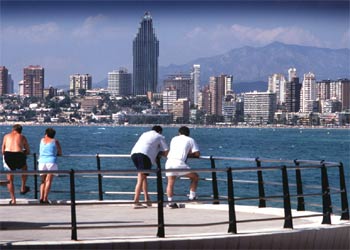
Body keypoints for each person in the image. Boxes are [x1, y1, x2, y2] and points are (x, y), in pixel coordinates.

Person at [130, 125, 168, 209]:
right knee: (140, 178)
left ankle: (147, 199)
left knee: (143, 177)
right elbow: (166, 152)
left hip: (134, 154)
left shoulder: (145, 134)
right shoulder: (159, 136)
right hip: (144, 156)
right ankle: (135, 201)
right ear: (160, 131)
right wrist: (159, 153)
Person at [165, 126, 200, 208]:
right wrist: (189, 154)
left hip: (169, 162)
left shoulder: (174, 139)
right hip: (179, 163)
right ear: (188, 133)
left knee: (170, 182)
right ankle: (192, 197)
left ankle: (170, 202)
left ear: (179, 133)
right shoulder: (190, 140)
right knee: (195, 177)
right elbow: (197, 154)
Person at [2, 124, 31, 204]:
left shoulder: (6, 136)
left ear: (12, 130)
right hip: (19, 154)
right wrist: (24, 152)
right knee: (24, 169)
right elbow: (28, 151)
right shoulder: (22, 137)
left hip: (8, 155)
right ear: (20, 131)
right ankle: (23, 187)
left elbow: (2, 151)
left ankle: (13, 199)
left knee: (10, 179)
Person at [38, 127, 62, 204]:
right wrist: (57, 154)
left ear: (46, 134)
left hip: (41, 162)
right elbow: (60, 152)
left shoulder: (42, 140)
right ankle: (45, 198)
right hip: (51, 161)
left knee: (42, 181)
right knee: (48, 181)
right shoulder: (55, 141)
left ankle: (41, 197)